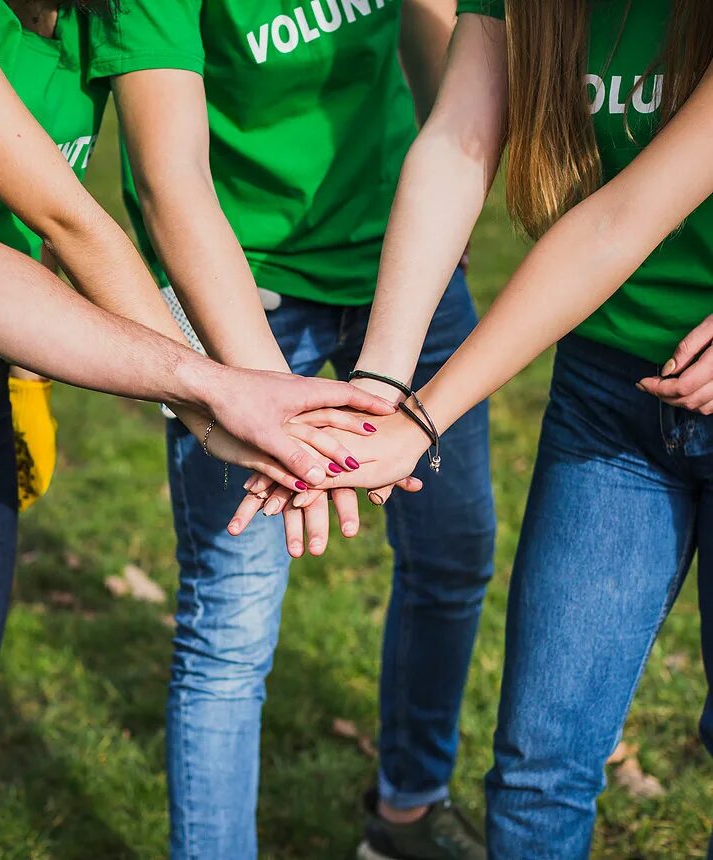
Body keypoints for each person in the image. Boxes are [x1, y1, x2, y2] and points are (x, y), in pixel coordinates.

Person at [0, 1, 395, 856]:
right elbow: (64, 222)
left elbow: (58, 234)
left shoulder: (104, 16)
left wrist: (224, 404)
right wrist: (215, 396)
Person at [239, 2, 713, 855]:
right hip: (609, 386)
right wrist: (379, 388)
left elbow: (622, 219)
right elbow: (457, 142)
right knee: (539, 764)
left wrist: (422, 417)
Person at [92, 1, 496, 857]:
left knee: (454, 550)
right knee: (231, 625)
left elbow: (440, 35)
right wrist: (261, 394)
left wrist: (447, 204)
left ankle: (408, 813)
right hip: (244, 288)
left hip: (402, 265)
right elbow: (171, 185)